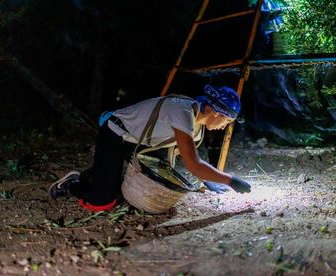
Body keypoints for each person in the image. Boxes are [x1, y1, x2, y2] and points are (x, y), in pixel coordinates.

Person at [49, 84, 251, 212]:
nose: (225, 126)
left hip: (133, 142)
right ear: (216, 112)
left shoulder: (196, 124)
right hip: (115, 131)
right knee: (101, 202)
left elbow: (187, 156)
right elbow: (193, 163)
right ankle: (72, 184)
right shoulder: (182, 113)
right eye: (227, 120)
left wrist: (208, 180)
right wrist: (231, 180)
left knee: (120, 182)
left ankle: (100, 173)